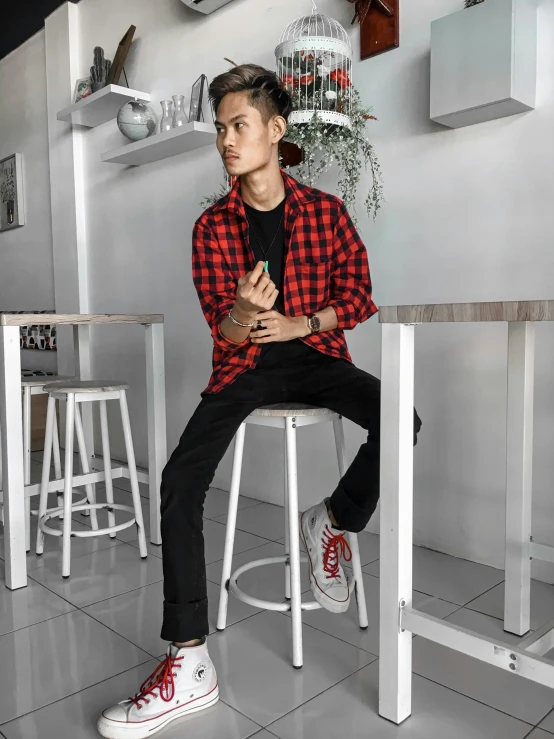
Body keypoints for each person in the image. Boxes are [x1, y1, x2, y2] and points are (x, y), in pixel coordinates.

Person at [97, 63, 421, 739]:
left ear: (275, 131)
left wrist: (305, 324)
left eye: (239, 126)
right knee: (180, 479)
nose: (226, 141)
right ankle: (189, 660)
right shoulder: (212, 227)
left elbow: (360, 296)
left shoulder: (324, 213)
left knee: (403, 416)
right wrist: (244, 312)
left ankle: (332, 519)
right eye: (220, 129)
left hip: (316, 360)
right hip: (241, 369)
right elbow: (222, 325)